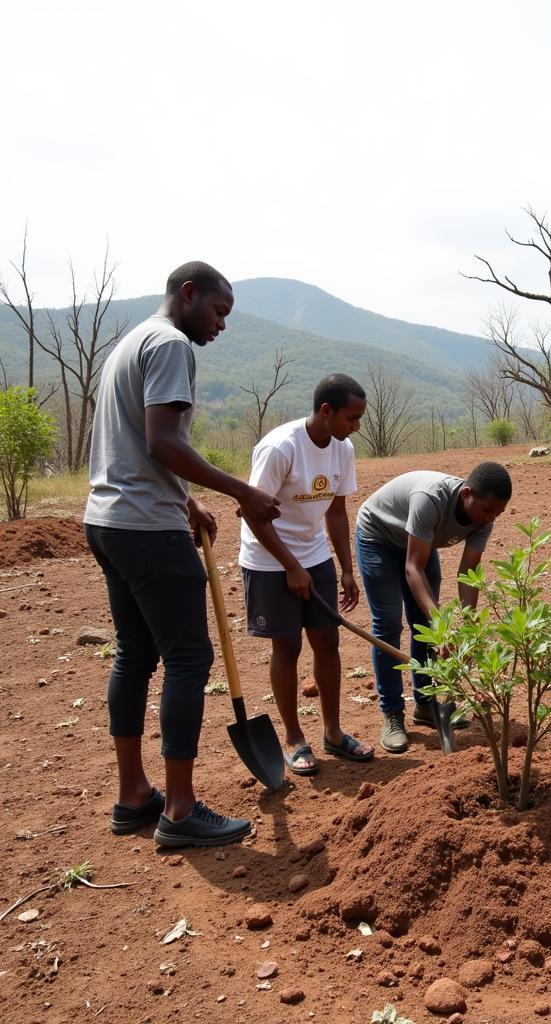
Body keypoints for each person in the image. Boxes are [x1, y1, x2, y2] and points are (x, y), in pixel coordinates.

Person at [83, 261, 282, 849]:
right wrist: (242, 491)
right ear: (188, 294)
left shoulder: (131, 341)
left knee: (135, 655)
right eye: (218, 311)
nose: (221, 325)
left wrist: (187, 500)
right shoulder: (171, 344)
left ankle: (133, 796)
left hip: (108, 520)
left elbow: (136, 447)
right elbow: (163, 441)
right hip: (146, 531)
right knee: (189, 659)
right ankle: (180, 809)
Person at [238, 374, 373, 777]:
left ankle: (333, 732)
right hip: (268, 556)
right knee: (288, 647)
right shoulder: (281, 447)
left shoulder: (342, 449)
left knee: (328, 641)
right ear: (326, 411)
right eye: (352, 418)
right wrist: (290, 567)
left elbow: (335, 510)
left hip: (313, 554)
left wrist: (346, 568)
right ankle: (294, 739)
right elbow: (250, 511)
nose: (357, 427)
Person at [355, 463, 512, 753]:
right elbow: (413, 569)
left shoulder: (485, 520)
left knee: (425, 627)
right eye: (487, 510)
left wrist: (466, 630)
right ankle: (392, 713)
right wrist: (444, 627)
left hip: (418, 541)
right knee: (388, 623)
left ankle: (425, 704)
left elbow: (468, 572)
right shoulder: (431, 499)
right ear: (466, 494)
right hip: (379, 535)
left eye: (497, 513)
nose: (490, 518)